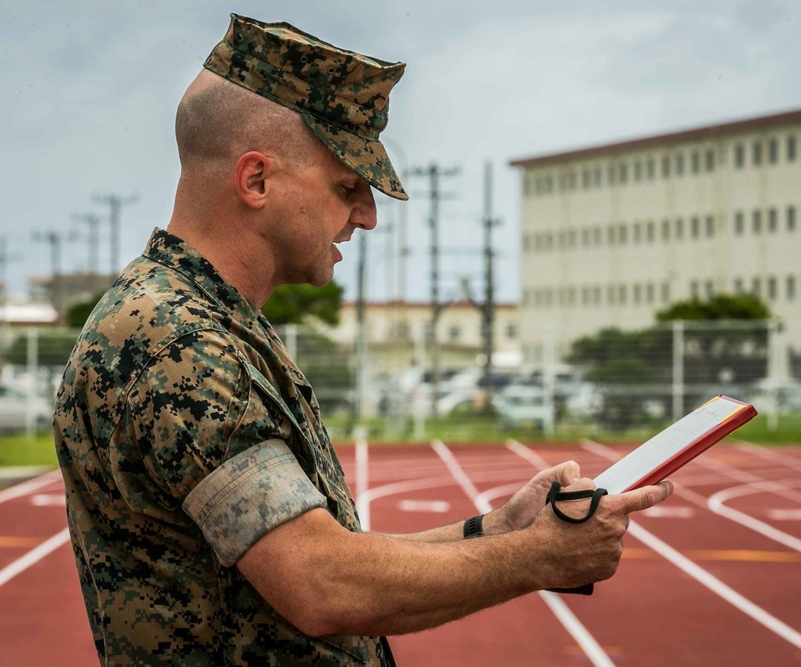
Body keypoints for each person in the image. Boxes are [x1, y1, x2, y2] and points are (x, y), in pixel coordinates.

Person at [54, 13, 674, 666]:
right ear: (256, 180)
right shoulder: (175, 347)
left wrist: (496, 530)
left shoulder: (196, 322)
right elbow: (322, 582)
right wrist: (538, 555)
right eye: (347, 186)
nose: (368, 216)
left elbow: (325, 553)